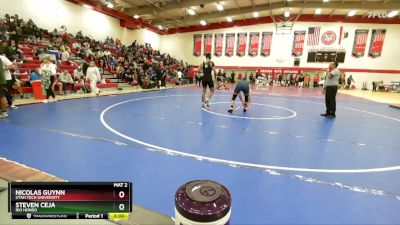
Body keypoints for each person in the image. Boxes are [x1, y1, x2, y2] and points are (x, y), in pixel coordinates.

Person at [0, 54, 16, 118]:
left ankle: (4, 112)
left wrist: (3, 68)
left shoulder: (2, 58)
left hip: (5, 79)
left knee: (2, 95)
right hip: (3, 79)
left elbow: (13, 67)